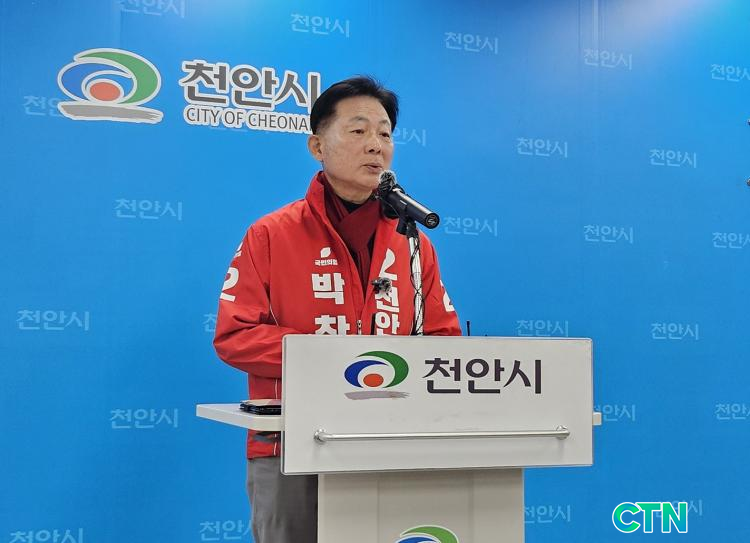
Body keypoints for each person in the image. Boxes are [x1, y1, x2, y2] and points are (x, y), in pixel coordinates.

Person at [213, 76, 461, 543]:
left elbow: (444, 341)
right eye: (358, 130)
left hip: (391, 440)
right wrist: (337, 360)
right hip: (290, 443)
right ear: (317, 146)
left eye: (385, 134)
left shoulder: (413, 243)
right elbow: (236, 335)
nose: (376, 145)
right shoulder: (271, 234)